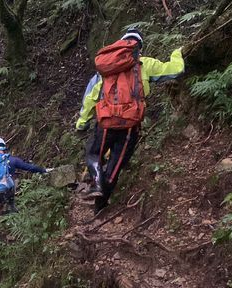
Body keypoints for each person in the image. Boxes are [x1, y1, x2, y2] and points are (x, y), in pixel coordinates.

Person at [76, 28, 184, 214]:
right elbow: (176, 70)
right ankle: (100, 207)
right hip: (130, 127)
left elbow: (90, 97)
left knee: (93, 154)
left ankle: (96, 183)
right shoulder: (145, 64)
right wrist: (177, 52)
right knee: (115, 166)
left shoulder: (106, 68)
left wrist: (82, 122)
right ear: (139, 46)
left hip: (106, 124)